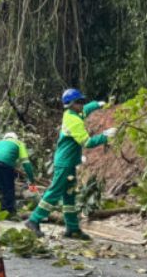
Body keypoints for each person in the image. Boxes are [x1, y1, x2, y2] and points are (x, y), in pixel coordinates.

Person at [26, 88, 116, 240]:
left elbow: (86, 110)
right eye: (79, 102)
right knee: (54, 192)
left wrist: (98, 104)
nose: (82, 104)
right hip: (64, 163)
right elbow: (87, 142)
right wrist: (105, 137)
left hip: (69, 163)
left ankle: (72, 228)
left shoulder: (75, 113)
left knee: (69, 196)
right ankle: (33, 220)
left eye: (82, 101)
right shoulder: (72, 120)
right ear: (71, 104)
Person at [0, 130, 36, 217]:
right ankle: (8, 212)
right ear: (15, 138)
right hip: (4, 163)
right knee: (8, 188)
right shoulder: (19, 143)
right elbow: (26, 163)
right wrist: (32, 180)